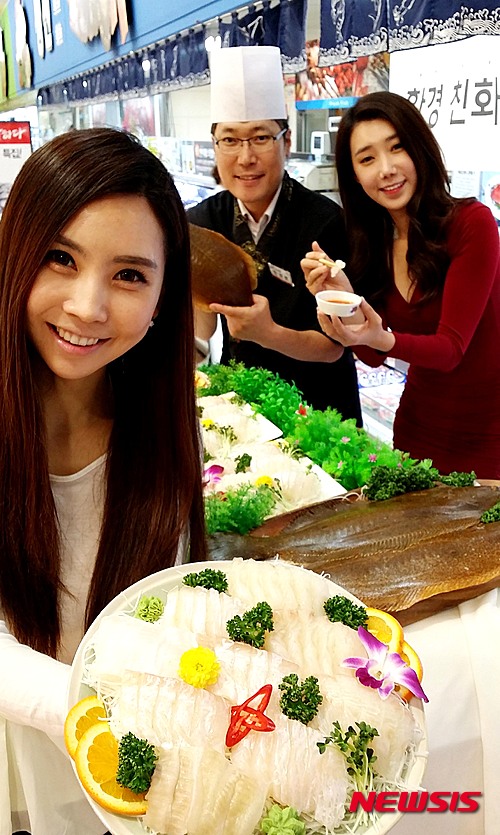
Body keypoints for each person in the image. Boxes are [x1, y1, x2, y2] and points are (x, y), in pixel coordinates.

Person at [0, 127, 207, 834]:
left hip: (119, 771)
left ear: (161, 300)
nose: (87, 307)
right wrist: (94, 718)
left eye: (128, 276)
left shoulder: (163, 429)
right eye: (61, 258)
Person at [302, 91, 500, 478]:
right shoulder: (373, 244)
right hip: (417, 428)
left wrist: (383, 338)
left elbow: (450, 350)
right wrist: (341, 298)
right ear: (354, 175)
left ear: (419, 148)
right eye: (367, 159)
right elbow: (372, 355)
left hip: (488, 435)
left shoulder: (471, 223)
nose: (386, 169)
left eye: (397, 148)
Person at [189, 45, 362, 422]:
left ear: (286, 142)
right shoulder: (202, 220)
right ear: (215, 145)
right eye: (230, 140)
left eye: (260, 138)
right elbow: (201, 327)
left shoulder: (325, 221)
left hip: (320, 407)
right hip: (243, 404)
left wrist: (266, 332)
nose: (245, 157)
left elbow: (334, 346)